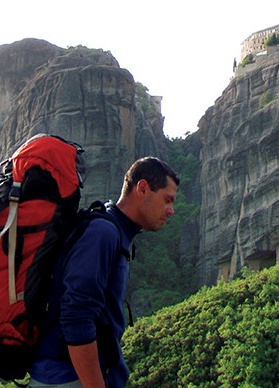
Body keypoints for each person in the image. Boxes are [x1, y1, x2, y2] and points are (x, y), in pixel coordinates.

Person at [29, 157, 179, 387]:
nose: (171, 211)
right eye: (167, 200)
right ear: (142, 188)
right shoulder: (103, 232)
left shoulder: (114, 231)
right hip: (66, 378)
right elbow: (76, 316)